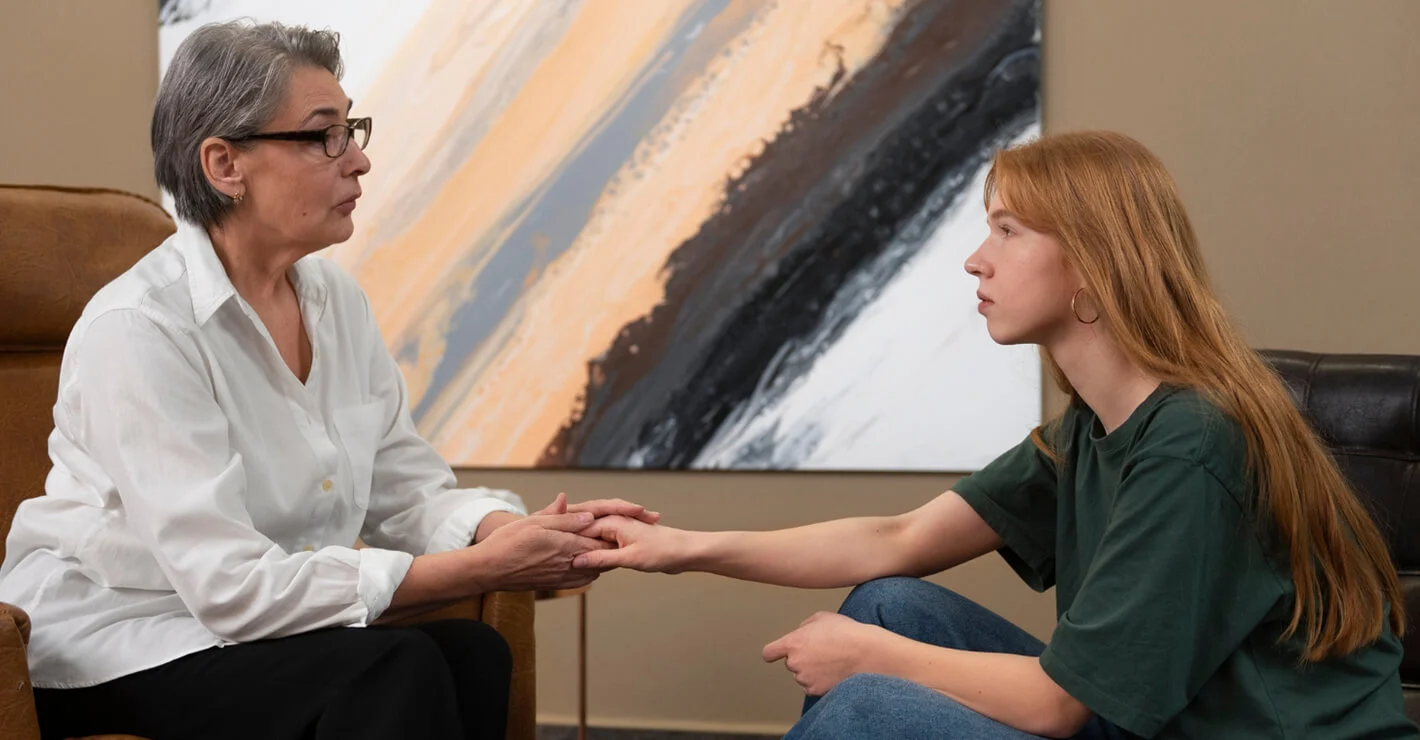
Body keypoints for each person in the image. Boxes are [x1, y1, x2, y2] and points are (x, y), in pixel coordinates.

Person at [574, 131, 1416, 739]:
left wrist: (875, 662)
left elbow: (1060, 704)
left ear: (1093, 262)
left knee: (872, 695)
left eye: (1008, 230)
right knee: (888, 605)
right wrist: (681, 547)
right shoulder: (1092, 429)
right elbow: (896, 539)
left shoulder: (1194, 441)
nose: (976, 259)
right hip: (1156, 723)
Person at [0, 20, 649, 740]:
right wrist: (479, 569)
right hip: (118, 642)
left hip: (242, 630)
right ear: (224, 165)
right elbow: (231, 589)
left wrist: (517, 532)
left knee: (474, 654)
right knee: (393, 668)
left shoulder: (335, 303)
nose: (360, 160)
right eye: (324, 136)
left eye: (353, 128)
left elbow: (407, 491)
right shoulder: (140, 329)